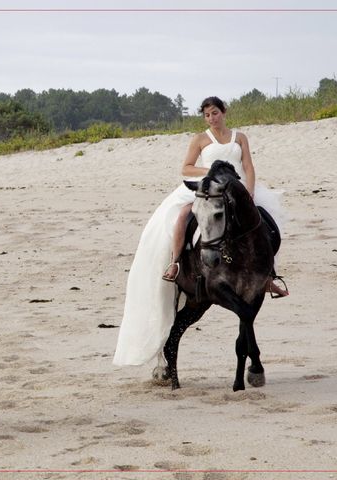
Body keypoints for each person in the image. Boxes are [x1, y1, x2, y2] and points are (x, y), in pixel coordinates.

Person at [113, 96, 287, 366]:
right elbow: (186, 167)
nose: (211, 118)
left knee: (265, 225)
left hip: (237, 190)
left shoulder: (240, 137)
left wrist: (250, 192)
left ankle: (267, 275)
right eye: (207, 115)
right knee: (183, 216)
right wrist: (215, 171)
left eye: (215, 113)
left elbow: (249, 167)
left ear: (224, 112)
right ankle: (175, 264)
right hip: (208, 189)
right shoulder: (200, 139)